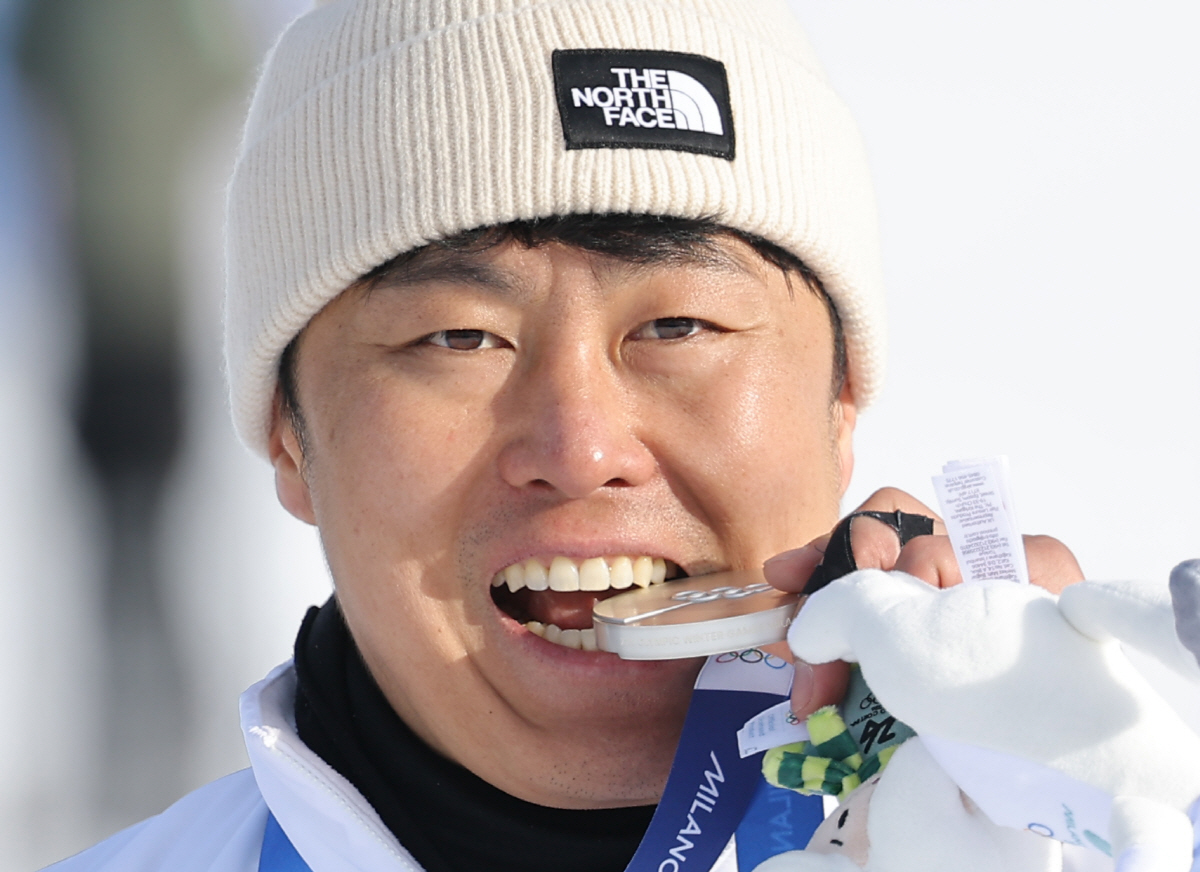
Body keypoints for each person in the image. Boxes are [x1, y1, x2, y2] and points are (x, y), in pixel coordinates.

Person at [45, 0, 1086, 870]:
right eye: (459, 335)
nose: (581, 445)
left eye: (679, 325)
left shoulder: (1112, 813)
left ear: (843, 393)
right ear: (287, 433)